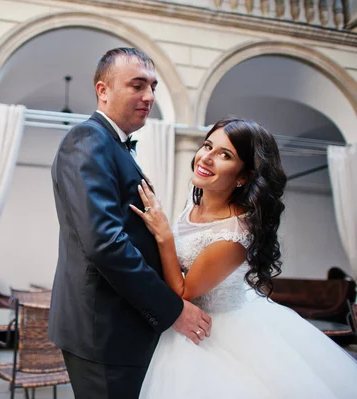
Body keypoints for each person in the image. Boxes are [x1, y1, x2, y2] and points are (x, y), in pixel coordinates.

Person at [132, 117, 357, 398]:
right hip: (180, 322)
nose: (207, 158)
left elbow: (183, 291)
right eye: (207, 146)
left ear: (243, 176)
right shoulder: (195, 202)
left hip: (213, 331)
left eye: (225, 155)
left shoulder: (234, 232)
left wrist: (163, 235)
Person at [48, 47, 212, 398]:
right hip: (105, 330)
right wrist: (172, 310)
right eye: (137, 85)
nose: (149, 96)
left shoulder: (112, 146)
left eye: (152, 86)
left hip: (119, 326)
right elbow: (105, 243)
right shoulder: (88, 141)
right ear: (102, 91)